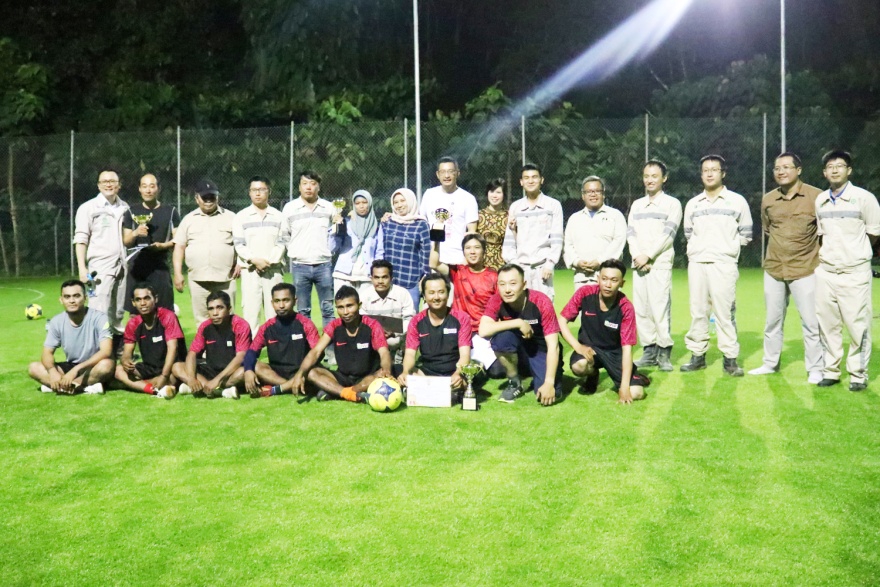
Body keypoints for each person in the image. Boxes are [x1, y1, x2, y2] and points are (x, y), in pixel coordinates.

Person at [748, 152, 824, 383]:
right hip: (774, 268)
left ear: (798, 170)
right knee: (772, 321)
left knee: (811, 322)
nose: (781, 171)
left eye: (786, 167)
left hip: (806, 268)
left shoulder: (816, 196)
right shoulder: (769, 199)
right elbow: (768, 229)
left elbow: (823, 231)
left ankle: (816, 368)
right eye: (777, 168)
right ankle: (770, 363)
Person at [813, 150, 880, 391]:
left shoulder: (864, 198)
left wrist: (854, 253)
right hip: (826, 272)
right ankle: (830, 371)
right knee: (827, 324)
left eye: (839, 165)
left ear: (849, 170)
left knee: (857, 325)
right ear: (824, 172)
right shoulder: (820, 200)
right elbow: (822, 235)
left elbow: (874, 233)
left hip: (854, 272)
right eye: (830, 166)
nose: (834, 170)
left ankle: (858, 375)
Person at [680, 155, 753, 376]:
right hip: (698, 263)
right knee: (698, 311)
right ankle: (697, 356)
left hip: (724, 263)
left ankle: (730, 359)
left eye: (714, 169)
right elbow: (688, 233)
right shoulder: (693, 203)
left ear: (723, 173)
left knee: (724, 312)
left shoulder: (737, 201)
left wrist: (728, 249)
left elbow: (746, 234)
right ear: (701, 174)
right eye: (706, 170)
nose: (710, 173)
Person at [558, 259, 650, 404]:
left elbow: (627, 349)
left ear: (622, 283)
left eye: (614, 280)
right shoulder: (585, 293)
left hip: (614, 353)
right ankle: (592, 374)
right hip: (590, 349)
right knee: (579, 366)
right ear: (598, 279)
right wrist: (578, 347)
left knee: (636, 393)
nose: (608, 284)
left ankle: (636, 377)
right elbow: (561, 321)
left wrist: (624, 387)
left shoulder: (626, 308)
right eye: (604, 279)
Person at [289, 286, 393, 402]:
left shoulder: (372, 325)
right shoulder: (334, 326)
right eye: (340, 307)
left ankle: (336, 391)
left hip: (368, 376)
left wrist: (386, 370)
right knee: (312, 372)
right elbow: (316, 351)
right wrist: (299, 374)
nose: (345, 312)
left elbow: (384, 352)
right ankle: (349, 393)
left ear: (359, 305)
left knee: (379, 375)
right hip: (343, 377)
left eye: (350, 306)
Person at [479, 264, 562, 406]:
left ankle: (539, 375)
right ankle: (515, 382)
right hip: (518, 350)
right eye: (502, 284)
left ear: (524, 285)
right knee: (501, 339)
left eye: (513, 284)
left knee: (546, 394)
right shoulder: (496, 300)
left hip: (541, 350)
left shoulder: (541, 301)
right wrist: (518, 322)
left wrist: (549, 382)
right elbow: (483, 330)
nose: (507, 290)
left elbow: (553, 346)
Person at [627, 161, 682, 372]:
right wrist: (637, 256)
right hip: (639, 264)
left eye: (654, 176)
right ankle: (649, 351)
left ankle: (664, 351)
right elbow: (630, 234)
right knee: (641, 310)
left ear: (664, 178)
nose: (650, 180)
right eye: (646, 176)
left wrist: (648, 256)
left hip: (659, 264)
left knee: (660, 308)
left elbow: (668, 235)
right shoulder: (637, 205)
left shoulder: (672, 204)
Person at [28, 279, 115, 395]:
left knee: (107, 365)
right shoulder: (56, 321)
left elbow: (106, 351)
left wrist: (76, 370)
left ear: (85, 298)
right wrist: (52, 371)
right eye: (67, 297)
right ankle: (81, 387)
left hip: (93, 365)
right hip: (71, 364)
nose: (72, 301)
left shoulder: (100, 318)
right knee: (34, 368)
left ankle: (65, 386)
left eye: (76, 296)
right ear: (61, 300)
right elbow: (47, 353)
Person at [173, 180, 240, 324]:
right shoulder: (188, 220)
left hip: (225, 279)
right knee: (202, 322)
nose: (209, 200)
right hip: (198, 280)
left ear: (218, 197)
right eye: (205, 197)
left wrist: (240, 263)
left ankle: (228, 340)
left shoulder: (232, 218)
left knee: (227, 319)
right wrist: (178, 273)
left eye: (212, 196)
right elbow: (179, 247)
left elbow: (241, 244)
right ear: (197, 198)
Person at [430, 233, 498, 373]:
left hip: (483, 332)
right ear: (463, 252)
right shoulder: (458, 271)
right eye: (468, 248)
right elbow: (433, 264)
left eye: (477, 247)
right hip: (461, 329)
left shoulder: (493, 276)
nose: (472, 252)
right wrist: (436, 241)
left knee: (497, 371)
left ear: (484, 250)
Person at [74, 169, 129, 343]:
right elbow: (80, 239)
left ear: (119, 185)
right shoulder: (88, 208)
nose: (109, 184)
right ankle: (96, 347)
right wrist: (82, 268)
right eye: (104, 181)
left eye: (112, 181)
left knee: (118, 310)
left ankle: (117, 346)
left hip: (122, 264)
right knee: (98, 308)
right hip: (99, 267)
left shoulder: (125, 207)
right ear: (98, 185)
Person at [242, 283, 321, 398]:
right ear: (272, 303)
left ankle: (279, 388)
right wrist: (248, 370)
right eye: (277, 301)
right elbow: (251, 352)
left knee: (314, 372)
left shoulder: (305, 324)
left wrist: (302, 372)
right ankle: (291, 386)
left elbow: (318, 352)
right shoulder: (267, 327)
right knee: (256, 365)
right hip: (276, 374)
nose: (281, 305)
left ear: (295, 301)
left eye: (286, 300)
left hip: (302, 371)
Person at [398, 273, 472, 395]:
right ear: (424, 296)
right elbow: (410, 354)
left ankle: (441, 388)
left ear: (448, 294)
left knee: (467, 380)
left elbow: (465, 354)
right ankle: (436, 388)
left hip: (453, 372)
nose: (436, 297)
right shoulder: (416, 321)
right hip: (425, 373)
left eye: (441, 292)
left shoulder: (461, 318)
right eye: (431, 293)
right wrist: (406, 372)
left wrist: (458, 373)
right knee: (401, 372)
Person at [281, 170, 336, 332]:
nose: (309, 187)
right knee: (303, 311)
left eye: (313, 184)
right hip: (300, 266)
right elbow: (284, 234)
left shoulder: (329, 207)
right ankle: (307, 345)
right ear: (299, 187)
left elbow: (336, 232)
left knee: (328, 310)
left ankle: (330, 346)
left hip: (324, 265)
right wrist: (295, 250)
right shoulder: (290, 208)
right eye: (305, 184)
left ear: (318, 187)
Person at [172, 291, 251, 399]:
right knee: (177, 366)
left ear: (229, 309)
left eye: (220, 308)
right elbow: (192, 353)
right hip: (210, 370)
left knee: (244, 372)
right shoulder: (205, 327)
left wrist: (217, 380)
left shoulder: (240, 325)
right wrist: (191, 379)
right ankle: (219, 391)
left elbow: (241, 357)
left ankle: (202, 388)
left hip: (231, 373)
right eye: (211, 309)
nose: (215, 313)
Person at [233, 176, 288, 333]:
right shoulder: (241, 216)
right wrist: (254, 260)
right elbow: (239, 244)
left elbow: (283, 242)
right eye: (254, 190)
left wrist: (268, 262)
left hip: (273, 270)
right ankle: (252, 348)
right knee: (251, 313)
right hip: (250, 271)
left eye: (262, 189)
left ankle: (276, 346)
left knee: (275, 312)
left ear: (269, 191)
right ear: (249, 192)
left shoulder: (278, 216)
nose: (258, 193)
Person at [502, 164, 564, 299]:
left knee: (544, 307)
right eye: (526, 178)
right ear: (521, 182)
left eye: (534, 177)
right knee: (522, 308)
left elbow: (557, 239)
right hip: (521, 269)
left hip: (543, 269)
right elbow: (509, 241)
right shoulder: (516, 207)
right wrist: (516, 266)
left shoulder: (553, 205)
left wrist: (550, 264)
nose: (530, 181)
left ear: (542, 180)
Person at [115, 283, 185, 399]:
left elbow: (173, 348)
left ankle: (139, 385)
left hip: (171, 366)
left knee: (173, 376)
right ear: (133, 303)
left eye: (146, 298)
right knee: (118, 370)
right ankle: (152, 388)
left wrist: (164, 375)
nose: (143, 303)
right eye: (138, 300)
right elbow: (127, 352)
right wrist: (125, 361)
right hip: (149, 367)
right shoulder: (133, 323)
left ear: (155, 299)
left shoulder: (168, 316)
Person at [122, 173, 180, 313]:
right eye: (144, 186)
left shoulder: (171, 211)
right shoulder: (131, 211)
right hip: (137, 267)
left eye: (152, 186)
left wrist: (163, 246)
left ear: (158, 188)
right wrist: (136, 233)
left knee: (165, 311)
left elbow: (178, 240)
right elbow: (126, 242)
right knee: (135, 312)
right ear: (139, 189)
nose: (148, 190)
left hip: (160, 267)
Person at [563, 175, 627, 288]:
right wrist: (577, 262)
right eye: (589, 192)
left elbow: (618, 242)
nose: (593, 194)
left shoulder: (615, 215)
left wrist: (600, 261)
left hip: (608, 278)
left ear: (603, 194)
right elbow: (568, 245)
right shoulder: (574, 218)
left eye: (597, 191)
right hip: (581, 277)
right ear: (583, 195)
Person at [418, 157, 479, 265]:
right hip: (432, 258)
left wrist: (466, 260)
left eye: (450, 171)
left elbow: (472, 232)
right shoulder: (429, 194)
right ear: (438, 174)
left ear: (457, 173)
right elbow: (420, 221)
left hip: (458, 259)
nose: (446, 176)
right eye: (443, 172)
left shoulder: (468, 199)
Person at [376, 188, 431, 308]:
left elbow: (426, 254)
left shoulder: (421, 224)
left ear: (410, 201)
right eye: (396, 202)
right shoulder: (387, 222)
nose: (399, 205)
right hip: (388, 283)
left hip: (411, 283)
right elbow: (379, 249)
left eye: (402, 200)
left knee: (410, 318)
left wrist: (425, 276)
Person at [360, 260, 416, 364]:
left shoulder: (402, 294)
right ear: (371, 279)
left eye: (384, 277)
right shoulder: (364, 296)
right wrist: (378, 333)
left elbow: (410, 320)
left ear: (391, 278)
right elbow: (361, 322)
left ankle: (402, 360)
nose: (380, 281)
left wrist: (394, 332)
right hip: (373, 338)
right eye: (376, 277)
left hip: (398, 338)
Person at [332, 189, 379, 294]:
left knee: (365, 305)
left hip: (366, 276)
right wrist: (335, 227)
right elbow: (332, 247)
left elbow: (379, 253)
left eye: (364, 202)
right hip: (344, 275)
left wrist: (376, 273)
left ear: (370, 203)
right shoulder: (346, 223)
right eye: (357, 203)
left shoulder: (376, 227)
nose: (361, 206)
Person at [476, 178, 509, 270]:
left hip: (502, 265)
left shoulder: (509, 216)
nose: (494, 195)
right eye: (492, 191)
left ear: (504, 195)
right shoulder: (478, 215)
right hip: (481, 265)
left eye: (498, 192)